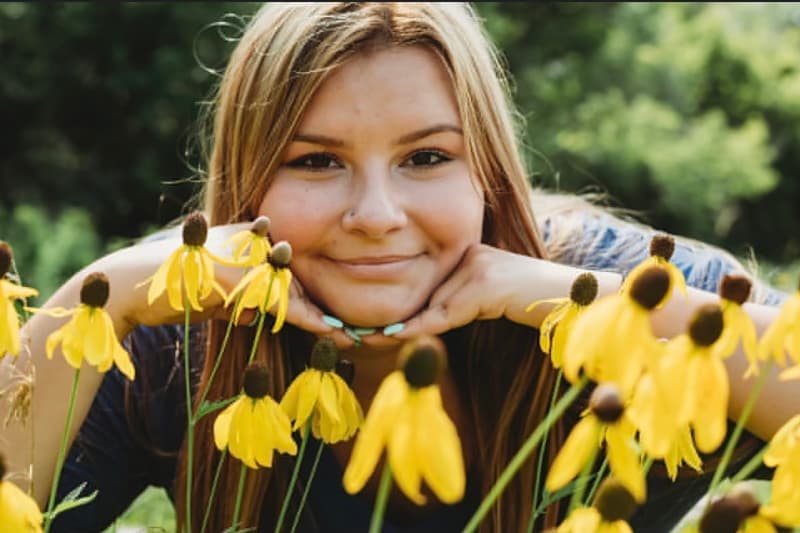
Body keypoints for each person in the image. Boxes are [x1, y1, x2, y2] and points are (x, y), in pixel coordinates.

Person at [0, 3, 794, 532]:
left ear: (486, 172)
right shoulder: (174, 341)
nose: (376, 214)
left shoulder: (615, 283)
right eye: (315, 161)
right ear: (247, 181)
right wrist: (95, 294)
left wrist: (590, 305)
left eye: (426, 155)